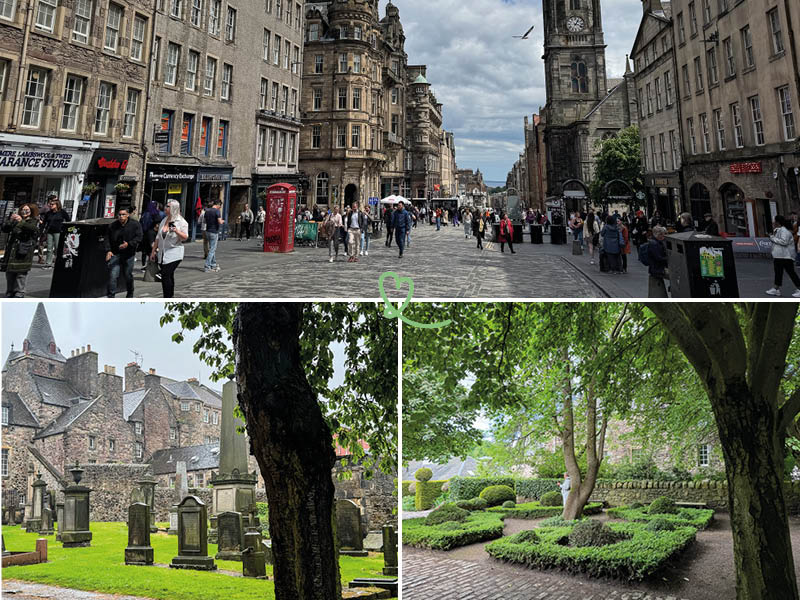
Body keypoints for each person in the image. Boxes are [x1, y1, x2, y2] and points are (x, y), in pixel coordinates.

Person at [150, 199, 189, 298]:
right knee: (168, 275)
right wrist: (153, 251)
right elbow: (158, 237)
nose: (165, 208)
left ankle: (167, 296)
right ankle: (170, 295)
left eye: (168, 206)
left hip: (174, 252)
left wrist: (176, 231)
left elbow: (185, 237)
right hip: (163, 252)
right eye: (166, 206)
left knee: (165, 274)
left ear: (173, 209)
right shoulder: (164, 220)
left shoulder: (181, 222)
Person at [104, 207, 142, 298]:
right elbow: (107, 238)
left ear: (128, 215)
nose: (121, 216)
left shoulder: (135, 224)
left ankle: (130, 293)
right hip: (115, 253)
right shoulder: (112, 226)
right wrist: (108, 250)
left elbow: (139, 237)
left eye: (123, 214)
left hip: (129, 254)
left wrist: (129, 244)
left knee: (128, 275)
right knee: (113, 275)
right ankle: (111, 296)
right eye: (120, 215)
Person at [1, 204, 38, 297]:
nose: (24, 212)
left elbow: (33, 229)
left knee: (21, 272)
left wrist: (21, 221)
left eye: (27, 210)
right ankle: (10, 291)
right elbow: (5, 229)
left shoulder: (33, 220)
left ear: (31, 211)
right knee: (9, 272)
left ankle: (20, 291)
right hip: (13, 249)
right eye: (23, 210)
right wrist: (10, 220)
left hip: (24, 248)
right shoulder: (16, 220)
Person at [766, 215, 800, 297]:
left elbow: (784, 242)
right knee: (779, 273)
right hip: (781, 255)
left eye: (774, 221)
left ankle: (777, 288)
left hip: (784, 256)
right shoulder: (781, 230)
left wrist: (771, 238)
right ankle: (776, 288)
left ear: (778, 222)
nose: (773, 223)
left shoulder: (784, 231)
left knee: (790, 273)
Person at [40, 196, 70, 269]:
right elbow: (44, 222)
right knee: (49, 248)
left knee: (57, 247)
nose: (50, 206)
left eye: (52, 204)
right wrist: (42, 230)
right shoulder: (48, 213)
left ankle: (58, 262)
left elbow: (68, 220)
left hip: (58, 232)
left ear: (57, 205)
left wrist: (65, 229)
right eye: (50, 204)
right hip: (50, 231)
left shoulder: (62, 212)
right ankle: (48, 263)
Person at [647, 226, 669, 297]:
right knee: (676, 275)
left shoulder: (656, 242)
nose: (664, 236)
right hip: (657, 269)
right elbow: (659, 258)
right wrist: (668, 259)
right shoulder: (654, 244)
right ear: (658, 235)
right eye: (662, 234)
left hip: (657, 267)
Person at [204, 200, 224, 272]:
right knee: (212, 249)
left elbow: (205, 221)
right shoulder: (217, 211)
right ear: (218, 204)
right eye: (220, 206)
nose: (220, 207)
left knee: (211, 248)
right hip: (214, 231)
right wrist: (222, 221)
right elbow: (219, 221)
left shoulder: (207, 211)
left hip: (207, 231)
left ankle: (213, 264)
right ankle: (207, 266)